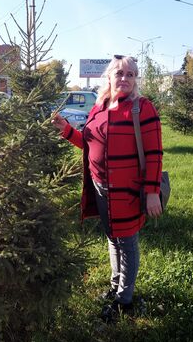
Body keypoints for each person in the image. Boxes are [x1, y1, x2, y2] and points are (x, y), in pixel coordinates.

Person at [52, 55, 163, 322]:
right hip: (100, 187)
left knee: (127, 242)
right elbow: (88, 142)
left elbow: (155, 153)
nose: (125, 78)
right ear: (109, 77)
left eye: (130, 74)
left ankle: (124, 300)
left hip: (127, 191)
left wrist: (152, 192)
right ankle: (116, 286)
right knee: (113, 238)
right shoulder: (99, 106)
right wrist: (67, 130)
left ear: (135, 79)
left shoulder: (142, 107)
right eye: (120, 73)